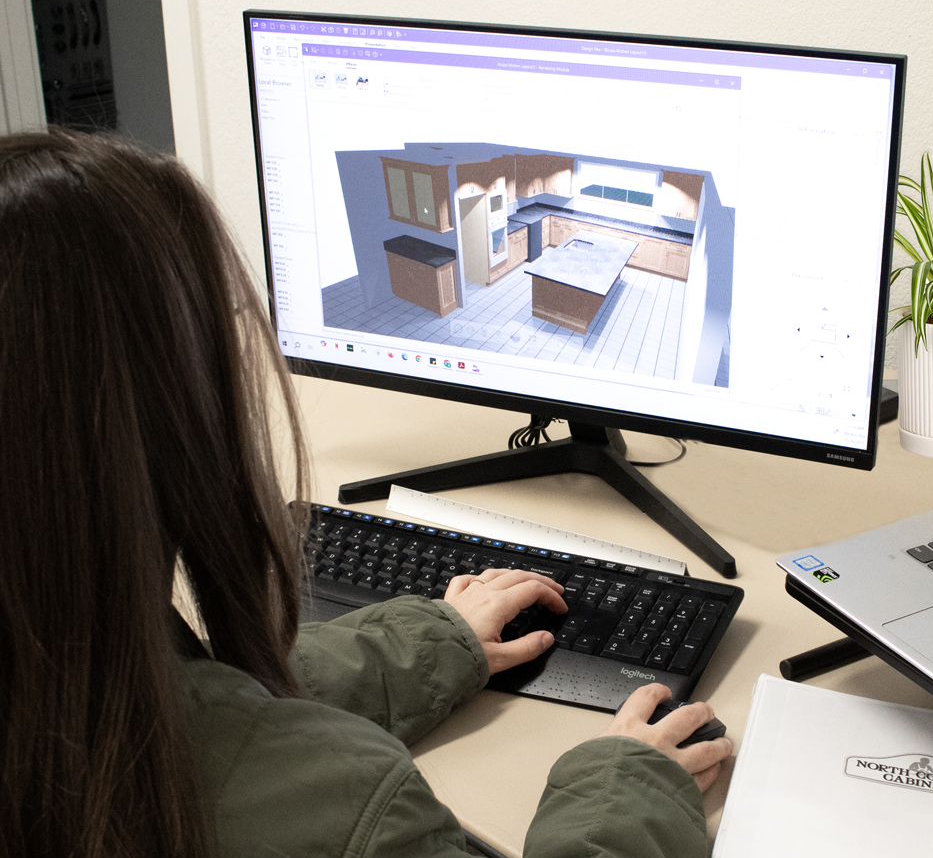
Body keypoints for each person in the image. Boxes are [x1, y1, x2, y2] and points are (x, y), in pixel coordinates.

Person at [0, 128, 733, 858]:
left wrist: (429, 647)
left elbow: (190, 703)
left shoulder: (62, 677)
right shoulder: (350, 814)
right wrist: (623, 792)